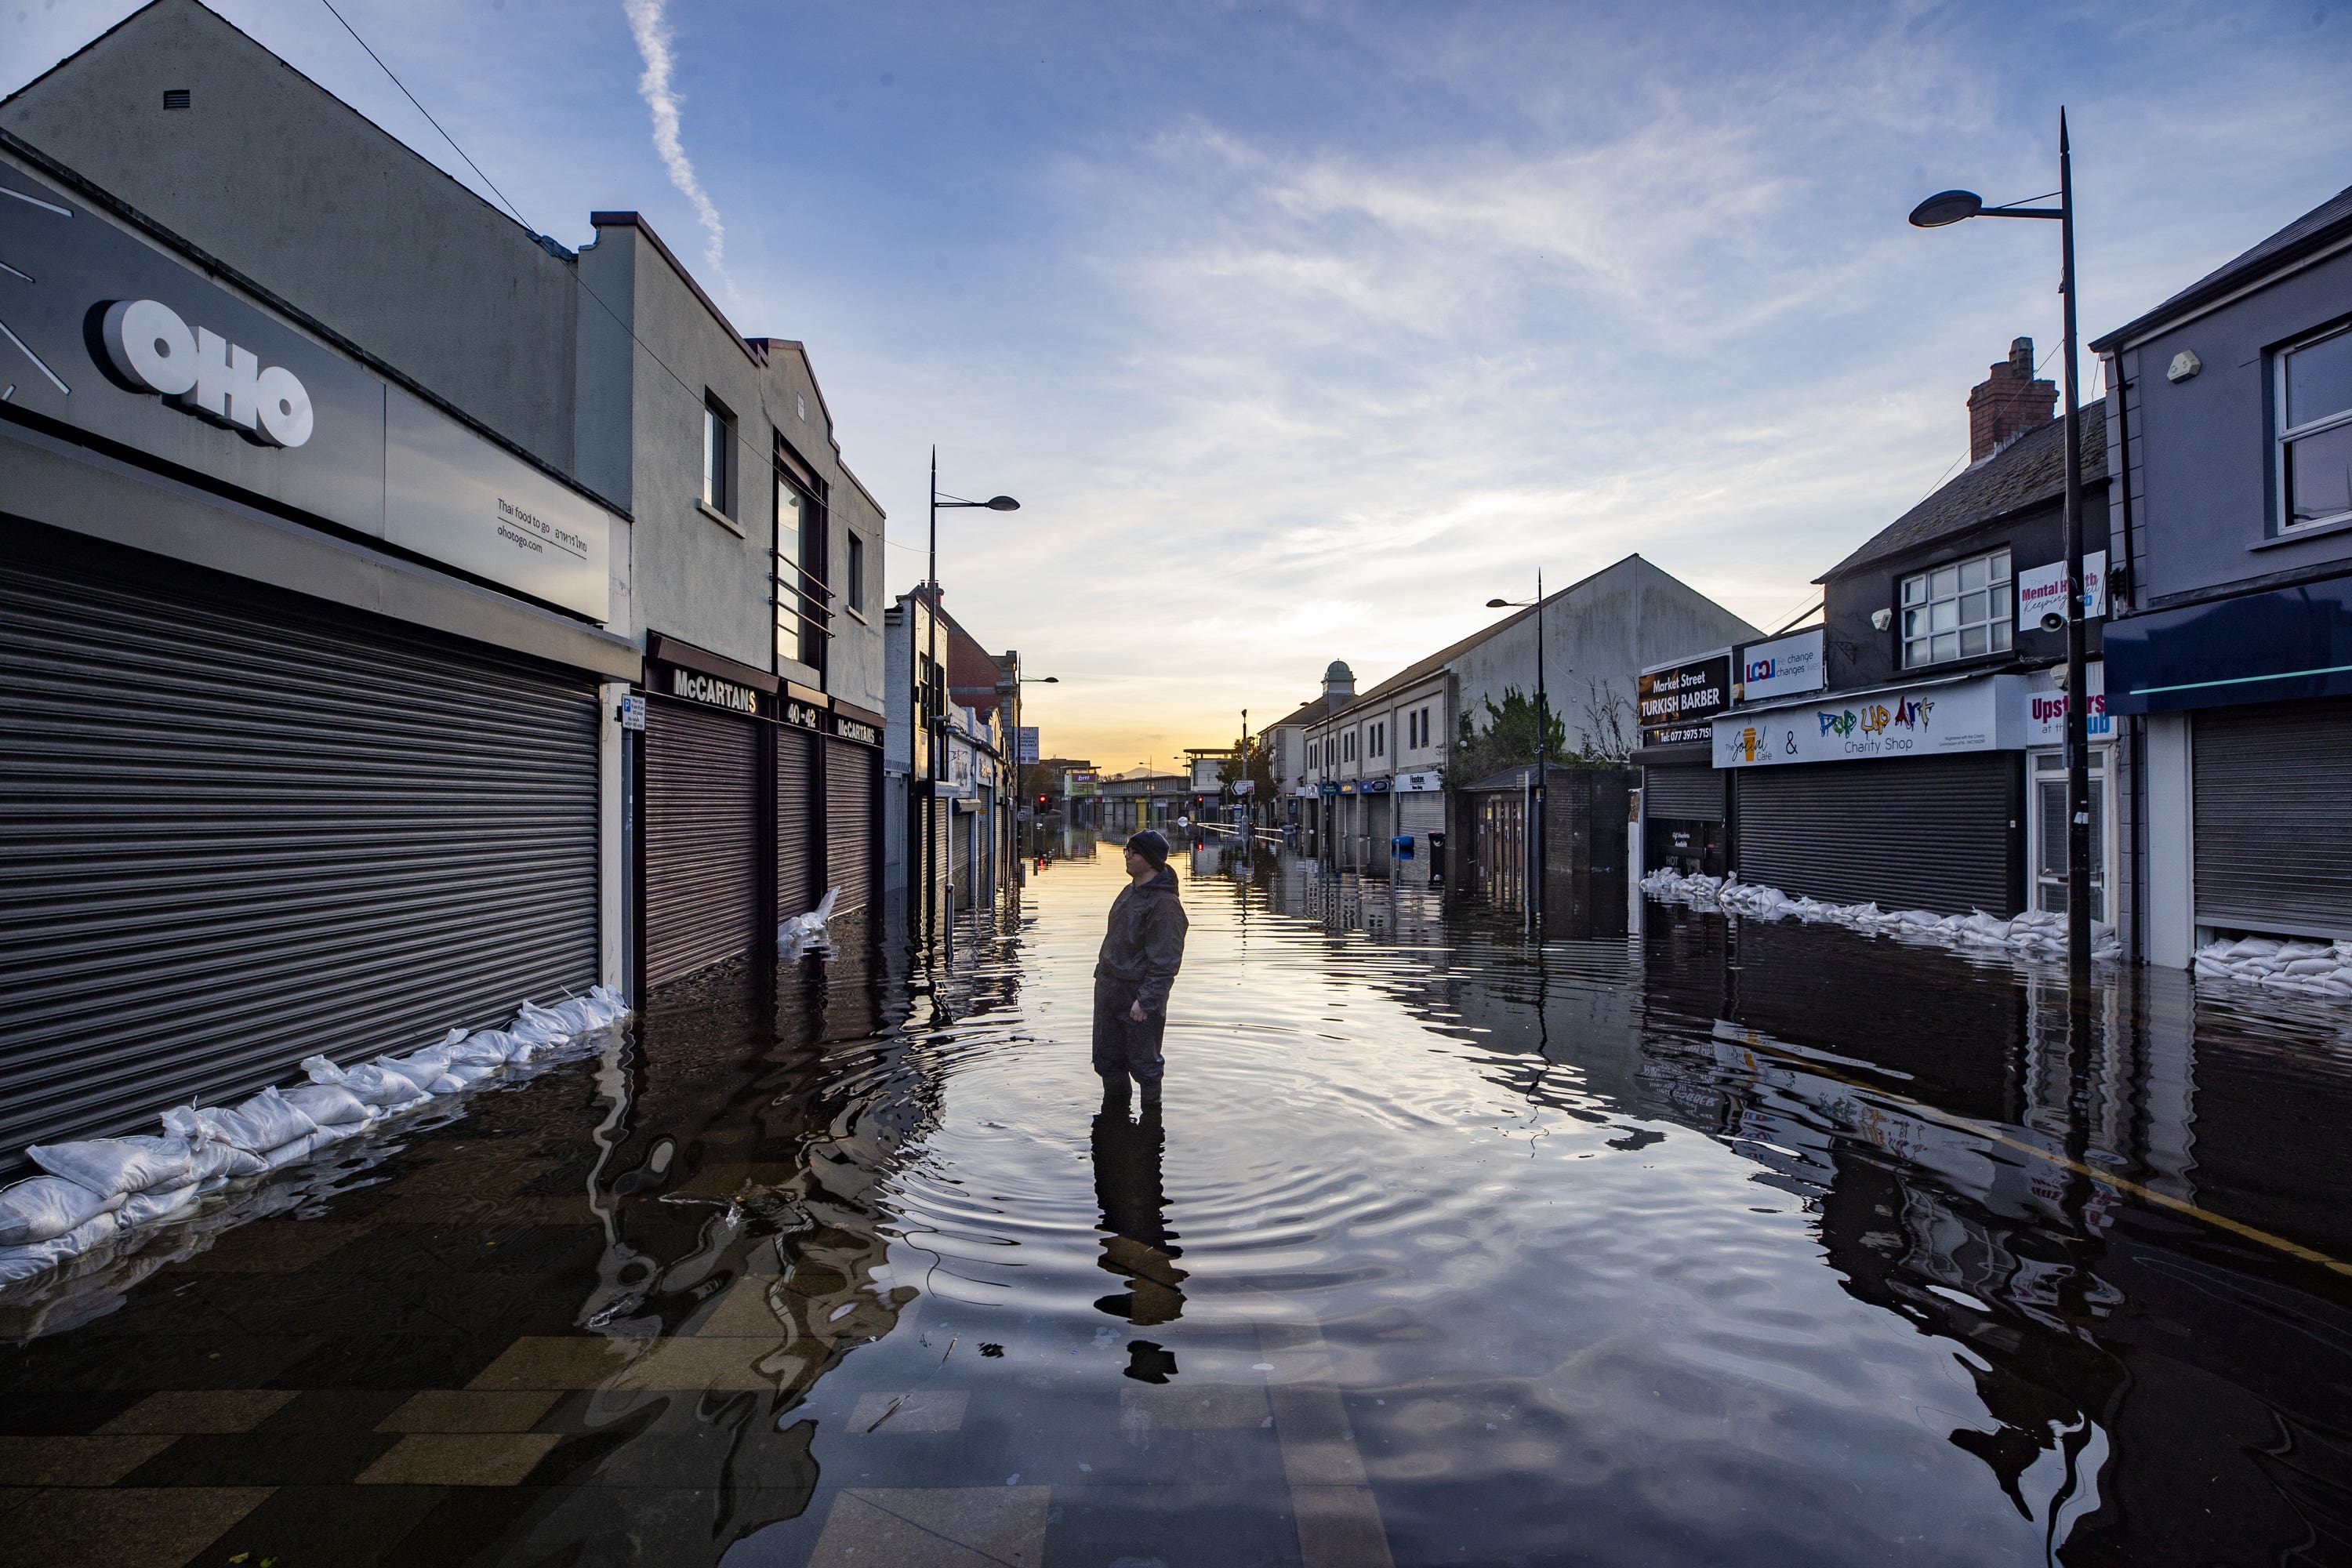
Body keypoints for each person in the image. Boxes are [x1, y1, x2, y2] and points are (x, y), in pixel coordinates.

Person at [1094, 829, 1189, 1107]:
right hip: (1110, 990)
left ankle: (1150, 1124)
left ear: (1148, 859)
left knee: (1145, 1065)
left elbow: (1166, 961)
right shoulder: (1129, 892)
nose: (1127, 857)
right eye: (1127, 851)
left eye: (1132, 852)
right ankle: (1114, 1122)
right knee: (1107, 1060)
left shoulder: (1165, 905)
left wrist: (1146, 1001)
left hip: (1137, 997)